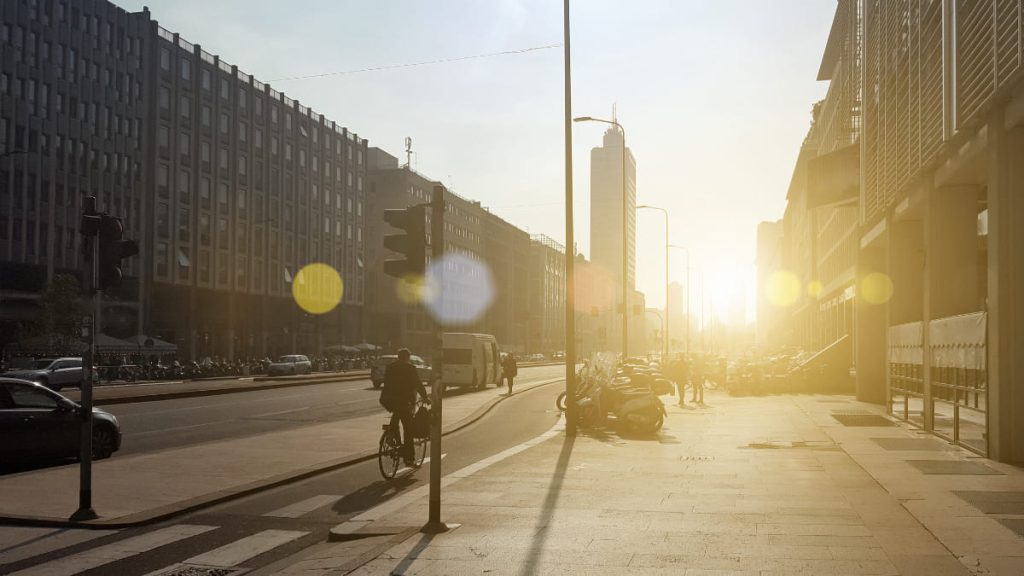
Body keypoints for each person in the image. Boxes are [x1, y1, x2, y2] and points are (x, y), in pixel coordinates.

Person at [379, 349, 430, 465]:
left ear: (398, 357)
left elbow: (386, 383)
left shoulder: (390, 367)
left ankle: (392, 436)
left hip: (388, 400)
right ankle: (409, 458)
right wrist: (425, 397)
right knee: (408, 430)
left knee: (396, 415)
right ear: (407, 357)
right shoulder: (410, 368)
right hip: (403, 401)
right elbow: (418, 383)